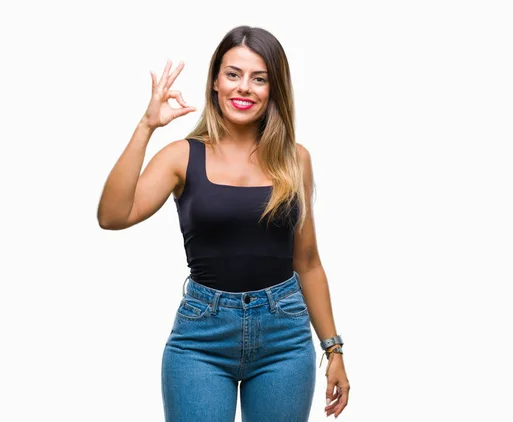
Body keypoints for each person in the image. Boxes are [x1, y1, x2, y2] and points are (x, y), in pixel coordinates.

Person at [97, 25, 350, 421]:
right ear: (215, 81)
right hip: (201, 340)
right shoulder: (182, 156)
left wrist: (333, 350)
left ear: (274, 90)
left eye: (259, 78)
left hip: (284, 339)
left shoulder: (294, 159)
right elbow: (112, 216)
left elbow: (308, 262)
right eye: (233, 74)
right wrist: (146, 127)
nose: (244, 88)